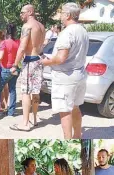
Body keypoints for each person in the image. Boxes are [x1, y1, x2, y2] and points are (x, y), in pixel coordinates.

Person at [41, 3, 89, 139]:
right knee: (75, 107)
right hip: (79, 74)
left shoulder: (67, 32)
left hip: (65, 77)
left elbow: (61, 58)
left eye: (62, 13)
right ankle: (77, 136)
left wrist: (45, 61)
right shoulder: (83, 31)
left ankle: (68, 139)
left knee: (65, 111)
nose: (60, 15)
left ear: (68, 15)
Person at [10, 4, 45, 131]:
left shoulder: (27, 26)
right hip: (39, 60)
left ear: (30, 12)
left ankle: (25, 123)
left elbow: (23, 47)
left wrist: (15, 64)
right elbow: (41, 45)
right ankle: (34, 119)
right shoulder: (41, 26)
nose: (21, 15)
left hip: (30, 61)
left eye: (22, 12)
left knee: (25, 92)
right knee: (35, 91)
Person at [0, 24, 20, 118]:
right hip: (15, 68)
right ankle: (11, 112)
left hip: (6, 69)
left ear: (6, 31)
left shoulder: (4, 43)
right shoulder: (18, 42)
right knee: (12, 89)